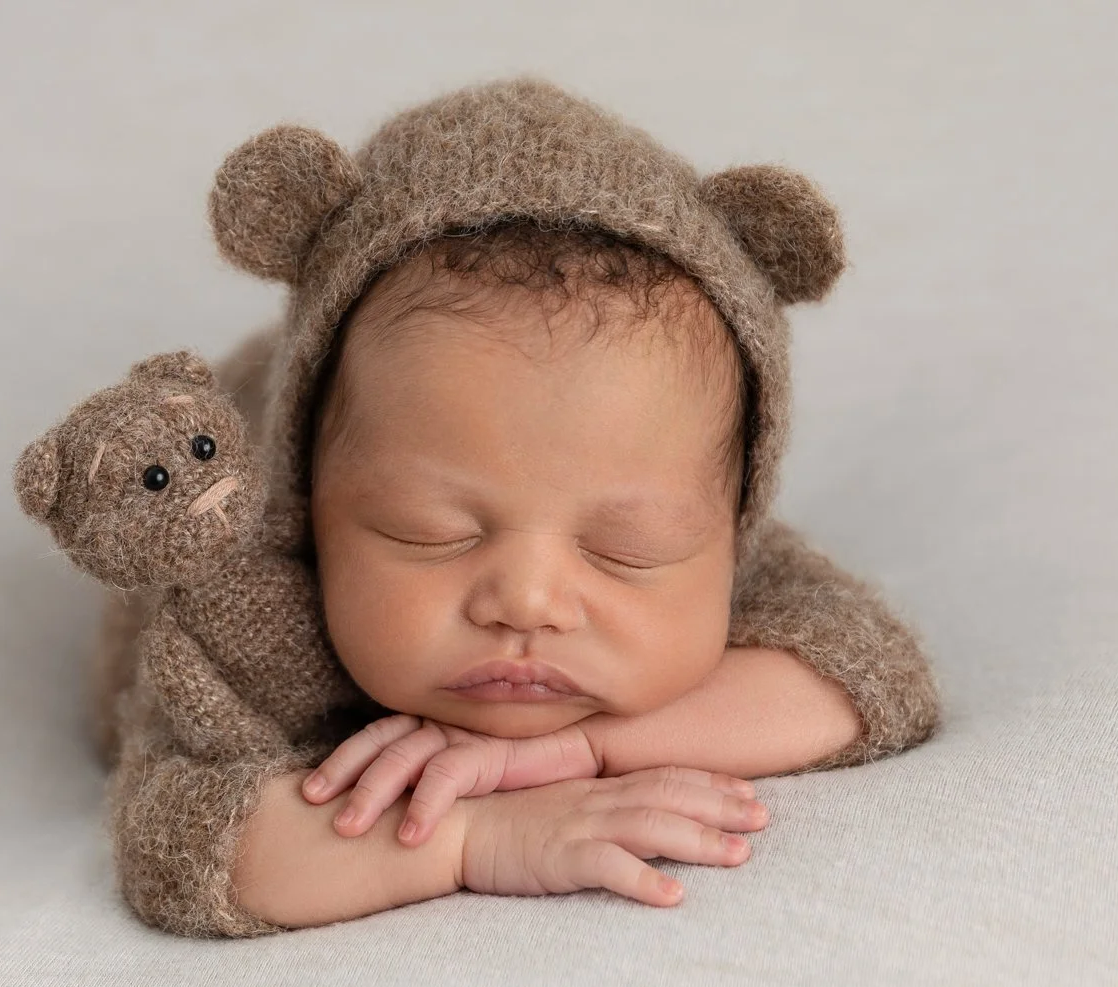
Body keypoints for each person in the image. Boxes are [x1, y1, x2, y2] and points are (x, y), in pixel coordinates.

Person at [92, 76, 941, 936]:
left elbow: (873, 676)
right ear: (312, 511)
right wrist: (469, 833)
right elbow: (176, 843)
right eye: (429, 532)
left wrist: (579, 751)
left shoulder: (695, 519)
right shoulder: (241, 597)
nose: (527, 603)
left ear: (730, 533)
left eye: (626, 549)